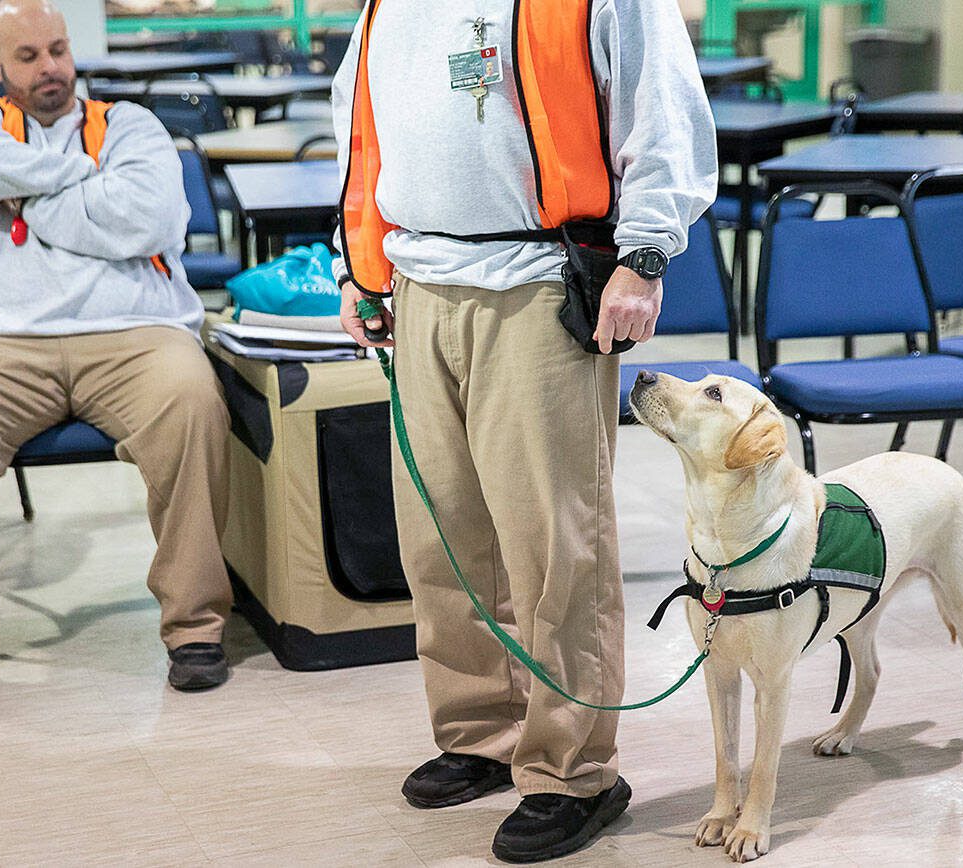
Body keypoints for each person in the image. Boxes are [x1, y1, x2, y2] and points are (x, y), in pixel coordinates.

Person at [331, 1, 717, 862]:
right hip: (420, 282)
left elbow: (662, 108)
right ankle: (480, 733)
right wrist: (357, 267)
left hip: (541, 281)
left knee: (555, 546)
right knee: (441, 541)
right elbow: (363, 131)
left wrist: (646, 254)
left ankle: (576, 770)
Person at [0, 0, 233, 708]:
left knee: (192, 399)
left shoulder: (128, 124)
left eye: (58, 50)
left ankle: (196, 627)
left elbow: (150, 216)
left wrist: (22, 195)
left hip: (133, 334)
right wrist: (82, 184)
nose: (51, 69)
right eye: (29, 57)